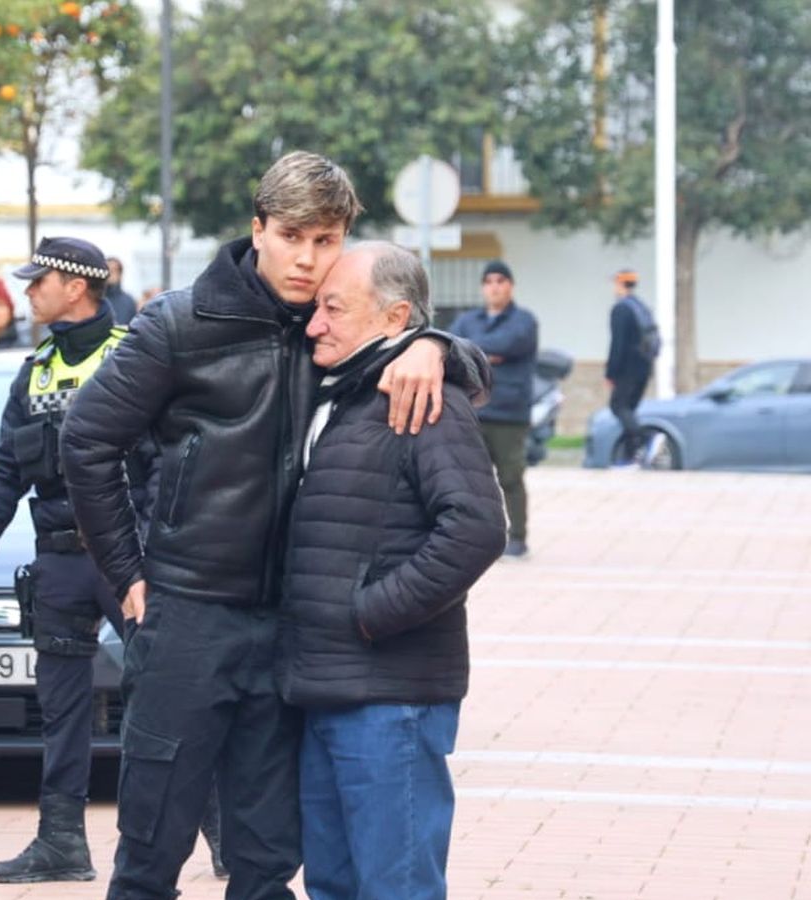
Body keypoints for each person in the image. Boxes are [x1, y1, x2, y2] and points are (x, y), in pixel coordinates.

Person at [59, 151, 490, 900]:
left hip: (288, 637)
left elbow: (409, 338)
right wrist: (125, 571)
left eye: (326, 241)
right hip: (188, 618)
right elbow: (86, 440)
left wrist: (437, 344)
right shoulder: (179, 323)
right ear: (258, 228)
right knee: (150, 855)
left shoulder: (327, 326)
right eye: (292, 236)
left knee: (266, 864)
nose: (308, 260)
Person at [285, 242, 507, 900]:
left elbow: (476, 528)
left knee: (396, 886)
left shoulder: (423, 398)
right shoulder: (344, 391)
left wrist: (370, 613)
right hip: (326, 685)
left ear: (395, 317)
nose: (315, 324)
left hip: (390, 698)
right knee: (334, 884)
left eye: (333, 309)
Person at [0, 236, 156, 884]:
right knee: (62, 709)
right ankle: (61, 842)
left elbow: (165, 462)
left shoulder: (133, 358)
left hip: (127, 560)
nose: (28, 291)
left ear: (76, 286)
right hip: (59, 560)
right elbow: (5, 468)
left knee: (164, 695)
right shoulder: (35, 371)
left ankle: (217, 832)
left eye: (39, 281)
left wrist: (151, 555)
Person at [449, 261, 537, 558]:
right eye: (488, 281)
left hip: (509, 413)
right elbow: (453, 348)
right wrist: (487, 353)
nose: (494, 286)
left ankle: (518, 537)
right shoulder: (467, 320)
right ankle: (475, 537)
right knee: (470, 480)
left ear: (510, 285)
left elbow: (510, 343)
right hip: (472, 410)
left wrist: (473, 351)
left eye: (500, 280)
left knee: (510, 477)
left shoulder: (524, 321)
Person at [606, 268, 657, 464]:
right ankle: (630, 455)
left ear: (621, 284)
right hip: (644, 367)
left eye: (615, 283)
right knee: (629, 411)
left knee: (618, 406)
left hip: (628, 369)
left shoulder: (621, 309)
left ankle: (646, 439)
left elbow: (617, 344)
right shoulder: (641, 307)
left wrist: (611, 373)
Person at [105, 256, 139, 326]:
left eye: (113, 270)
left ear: (120, 274)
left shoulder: (129, 301)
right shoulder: (95, 299)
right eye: (107, 270)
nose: (110, 274)